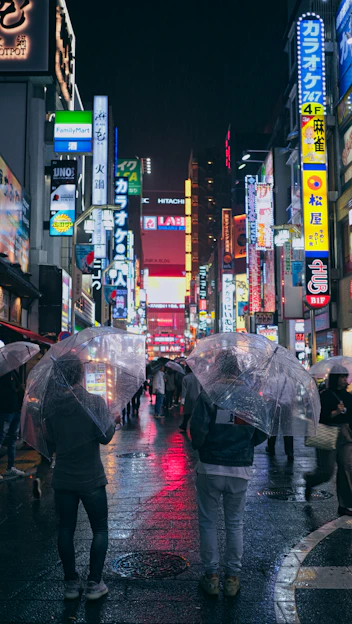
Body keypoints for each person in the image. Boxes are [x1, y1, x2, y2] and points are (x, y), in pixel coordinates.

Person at [190, 352, 267, 598]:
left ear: (218, 369)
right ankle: (232, 578)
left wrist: (203, 446)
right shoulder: (252, 398)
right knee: (235, 523)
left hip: (210, 467)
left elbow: (197, 430)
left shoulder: (209, 394)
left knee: (208, 522)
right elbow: (262, 432)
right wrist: (245, 444)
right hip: (239, 468)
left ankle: (211, 577)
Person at [44, 356, 116, 601]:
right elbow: (105, 436)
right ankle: (94, 583)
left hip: (63, 477)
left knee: (65, 529)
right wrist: (112, 422)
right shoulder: (93, 402)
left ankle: (71, 583)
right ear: (80, 375)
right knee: (100, 529)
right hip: (91, 478)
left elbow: (49, 442)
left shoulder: (50, 405)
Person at [305, 367, 352, 516]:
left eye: (346, 377)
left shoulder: (348, 396)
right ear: (335, 378)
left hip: (345, 435)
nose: (345, 380)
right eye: (342, 377)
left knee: (346, 467)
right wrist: (336, 412)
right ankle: (311, 481)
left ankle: (344, 505)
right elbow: (319, 417)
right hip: (328, 433)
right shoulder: (324, 395)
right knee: (326, 472)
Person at [0, 370, 26, 479]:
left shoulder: (14, 373)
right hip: (6, 410)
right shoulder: (3, 373)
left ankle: (11, 467)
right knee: (1, 437)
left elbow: (19, 389)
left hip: (16, 409)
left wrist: (21, 390)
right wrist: (14, 390)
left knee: (13, 439)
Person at [179, 365, 201, 432]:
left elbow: (184, 391)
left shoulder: (185, 378)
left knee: (187, 413)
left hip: (189, 398)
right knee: (197, 414)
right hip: (198, 398)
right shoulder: (199, 377)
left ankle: (184, 425)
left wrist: (182, 401)